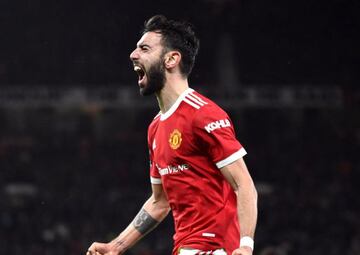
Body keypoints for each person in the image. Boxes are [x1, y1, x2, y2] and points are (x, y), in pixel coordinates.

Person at [86, 15, 258, 255]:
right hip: (184, 248)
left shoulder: (203, 115)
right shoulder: (155, 128)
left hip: (214, 248)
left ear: (171, 59)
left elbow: (244, 184)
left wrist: (245, 245)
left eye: (144, 48)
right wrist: (116, 246)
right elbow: (160, 201)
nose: (133, 55)